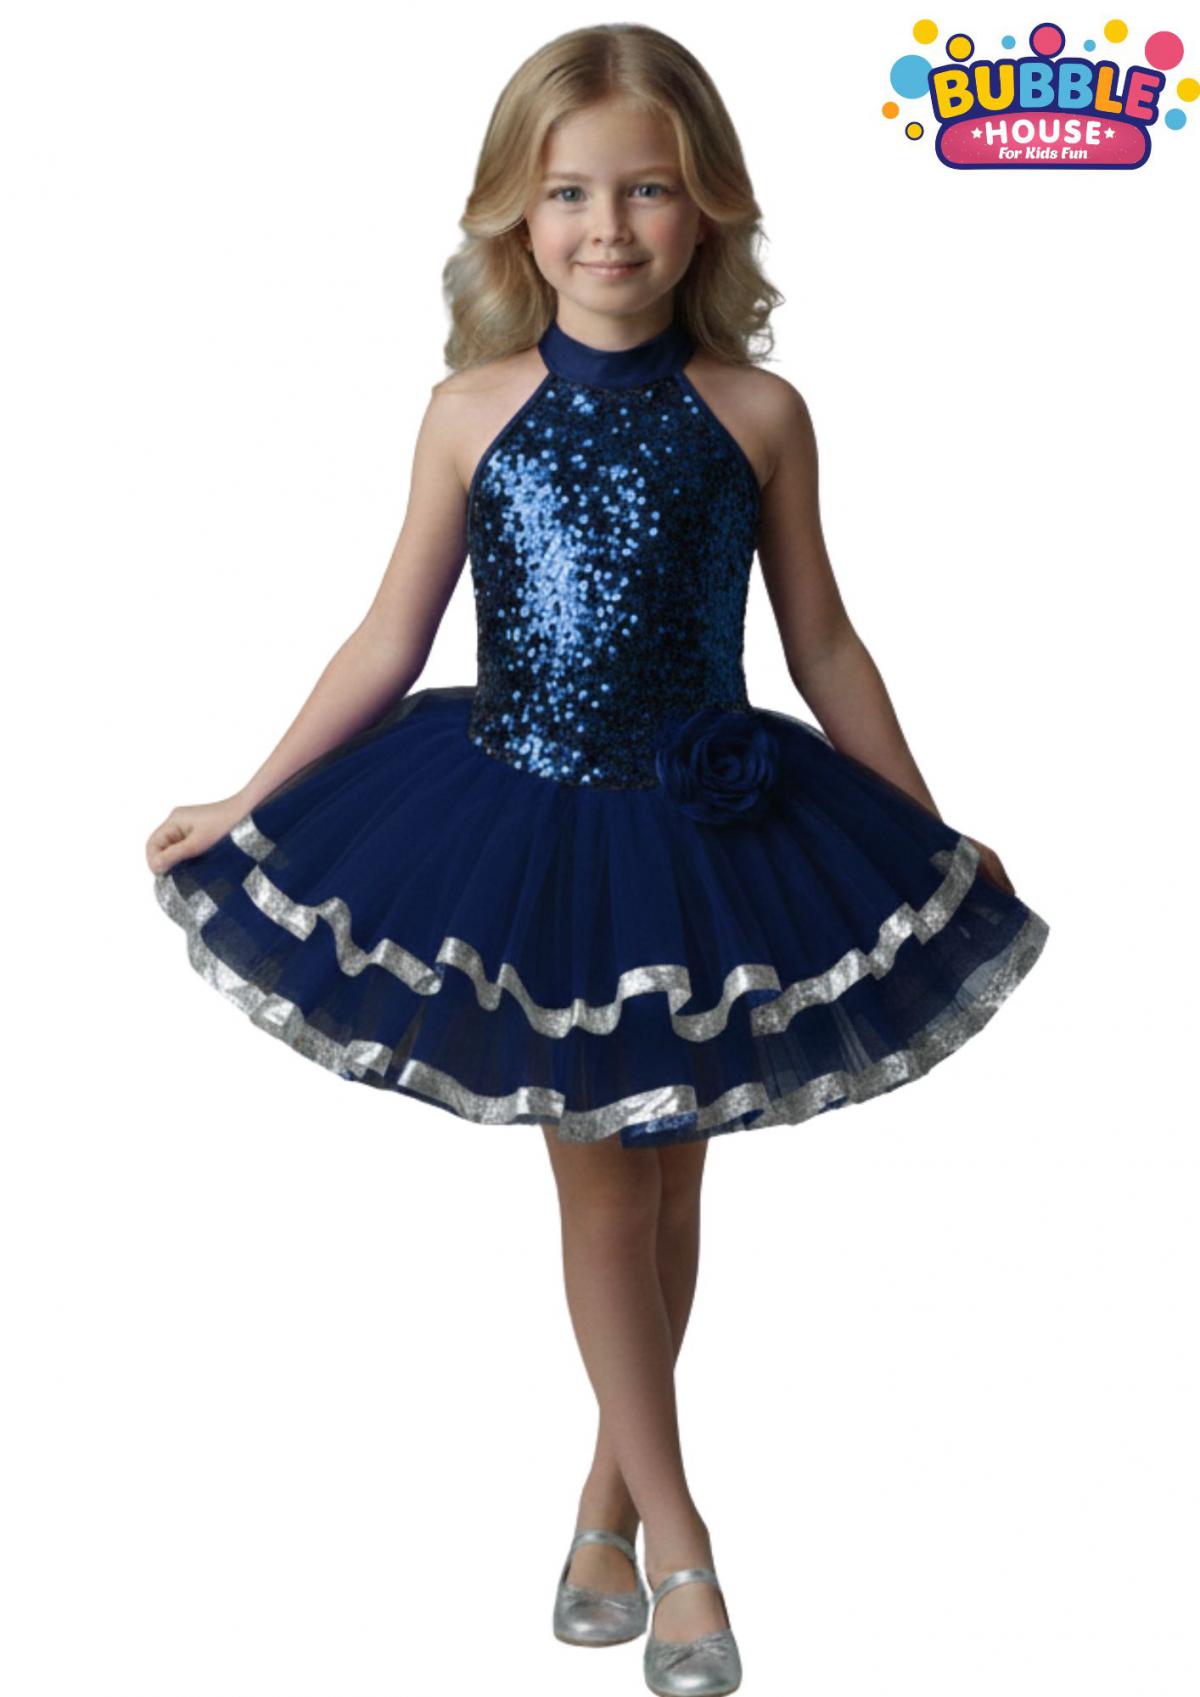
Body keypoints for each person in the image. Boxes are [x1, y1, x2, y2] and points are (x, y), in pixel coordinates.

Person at [145, 24, 1050, 1696]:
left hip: (716, 836)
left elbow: (824, 642)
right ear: (515, 211)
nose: (608, 227)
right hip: (528, 841)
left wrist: (920, 831)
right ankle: (685, 1537)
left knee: (676, 1176)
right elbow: (388, 636)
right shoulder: (469, 412)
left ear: (710, 207)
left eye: (646, 190)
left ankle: (599, 1508)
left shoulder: (760, 414)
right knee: (610, 1180)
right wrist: (253, 790)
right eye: (569, 192)